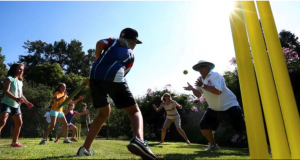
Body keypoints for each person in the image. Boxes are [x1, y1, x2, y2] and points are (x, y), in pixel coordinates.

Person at [76, 28, 156, 160]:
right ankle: (139, 140)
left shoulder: (112, 42)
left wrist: (98, 61)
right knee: (134, 111)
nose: (135, 45)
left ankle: (85, 149)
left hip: (94, 77)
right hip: (114, 77)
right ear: (132, 41)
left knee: (103, 113)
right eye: (136, 42)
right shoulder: (131, 54)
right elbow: (123, 74)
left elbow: (99, 43)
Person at [183, 60, 247, 151]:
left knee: (243, 127)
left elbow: (218, 91)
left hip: (229, 105)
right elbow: (198, 95)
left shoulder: (215, 76)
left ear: (208, 67)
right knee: (204, 126)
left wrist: (202, 86)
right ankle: (213, 145)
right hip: (214, 108)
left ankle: (263, 145)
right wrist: (193, 89)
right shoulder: (200, 79)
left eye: (202, 67)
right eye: (198, 68)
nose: (200, 69)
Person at [0, 63, 33, 147]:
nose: (21, 71)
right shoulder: (9, 78)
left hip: (16, 105)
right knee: (2, 122)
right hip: (7, 103)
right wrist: (16, 99)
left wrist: (27, 102)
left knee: (19, 123)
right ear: (14, 69)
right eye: (19, 69)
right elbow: (6, 91)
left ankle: (14, 143)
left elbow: (21, 95)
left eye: (22, 70)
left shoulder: (20, 82)